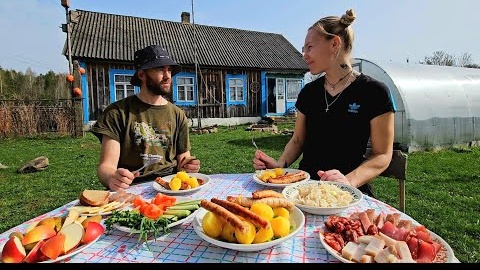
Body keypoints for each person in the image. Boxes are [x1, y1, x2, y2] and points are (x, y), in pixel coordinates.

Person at [253, 9, 395, 197]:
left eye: (309, 47)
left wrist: (348, 181)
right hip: (305, 191)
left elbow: (382, 155)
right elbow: (297, 140)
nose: (304, 55)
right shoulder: (308, 93)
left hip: (347, 194)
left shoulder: (375, 92)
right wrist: (280, 165)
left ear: (335, 44)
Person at [91, 44, 200, 191]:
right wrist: (112, 178)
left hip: (169, 187)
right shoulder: (117, 112)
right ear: (141, 75)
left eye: (169, 70)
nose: (168, 76)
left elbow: (184, 159)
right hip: (132, 187)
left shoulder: (177, 114)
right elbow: (106, 166)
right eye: (160, 69)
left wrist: (189, 165)